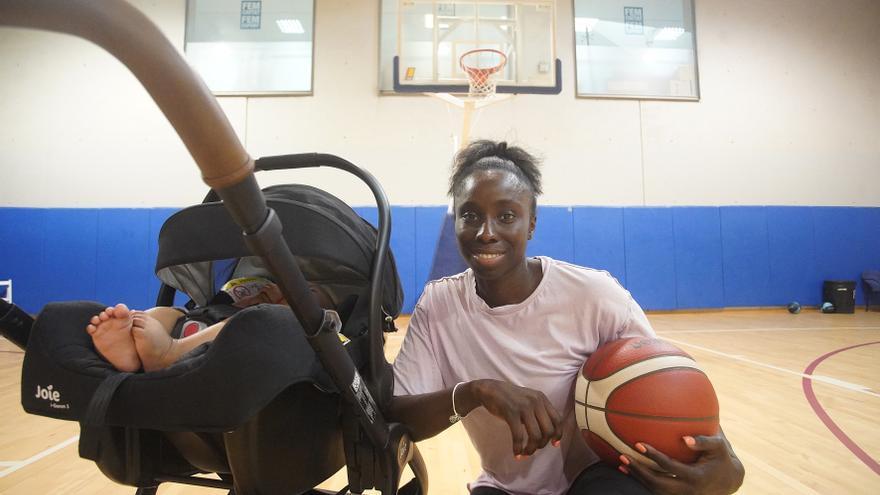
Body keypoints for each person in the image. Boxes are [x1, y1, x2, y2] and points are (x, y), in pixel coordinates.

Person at [389, 140, 744, 495]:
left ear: (531, 225)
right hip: (502, 487)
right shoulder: (439, 305)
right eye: (470, 215)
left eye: (506, 216)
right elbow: (399, 415)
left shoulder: (594, 295)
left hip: (598, 477)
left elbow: (661, 377)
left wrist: (724, 460)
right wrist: (476, 392)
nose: (486, 232)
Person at [87, 277, 333, 372]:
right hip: (199, 320)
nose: (272, 290)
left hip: (232, 342)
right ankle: (129, 345)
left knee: (252, 321)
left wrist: (274, 306)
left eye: (308, 291)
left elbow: (295, 316)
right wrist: (256, 296)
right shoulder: (238, 300)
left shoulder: (305, 324)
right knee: (168, 313)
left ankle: (168, 355)